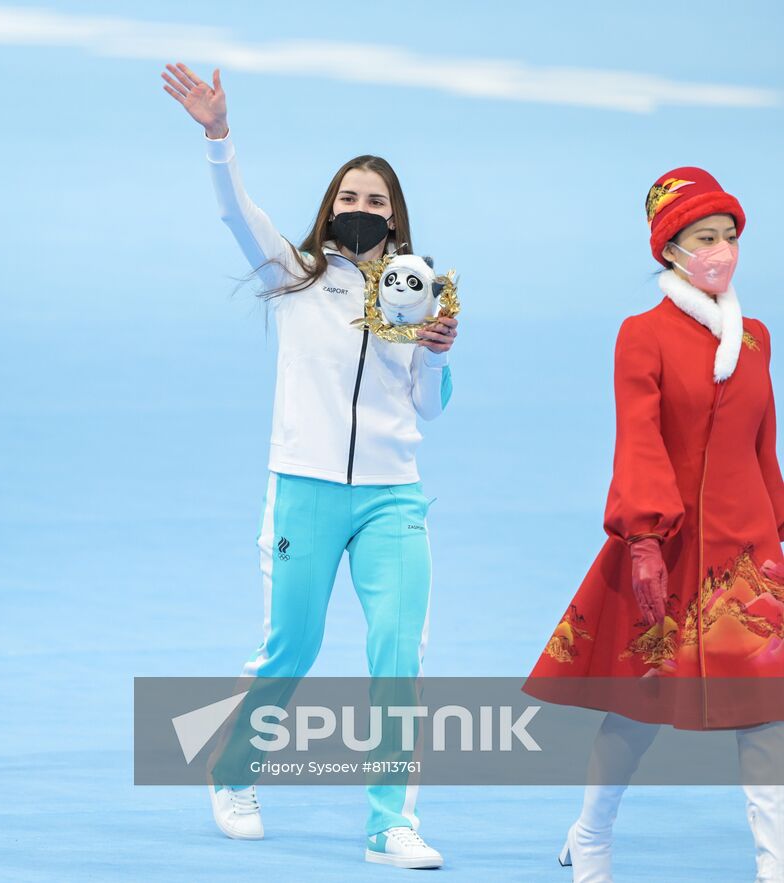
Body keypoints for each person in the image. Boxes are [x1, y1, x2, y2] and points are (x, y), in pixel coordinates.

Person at [162, 63, 458, 868]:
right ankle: (232, 771)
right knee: (292, 648)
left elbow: (429, 407)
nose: (362, 207)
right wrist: (218, 135)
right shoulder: (295, 274)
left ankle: (390, 823)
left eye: (377, 200)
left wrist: (436, 350)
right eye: (350, 196)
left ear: (396, 217)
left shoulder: (418, 290)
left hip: (393, 497)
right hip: (306, 489)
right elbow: (235, 210)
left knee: (398, 654)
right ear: (331, 207)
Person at [526, 169, 784, 882]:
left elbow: (764, 446)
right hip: (667, 549)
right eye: (705, 237)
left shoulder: (756, 339)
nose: (722, 251)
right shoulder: (642, 336)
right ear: (670, 249)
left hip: (747, 559)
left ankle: (774, 866)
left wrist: (778, 528)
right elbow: (637, 439)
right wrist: (642, 538)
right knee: (639, 708)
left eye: (730, 236)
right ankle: (591, 835)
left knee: (766, 712)